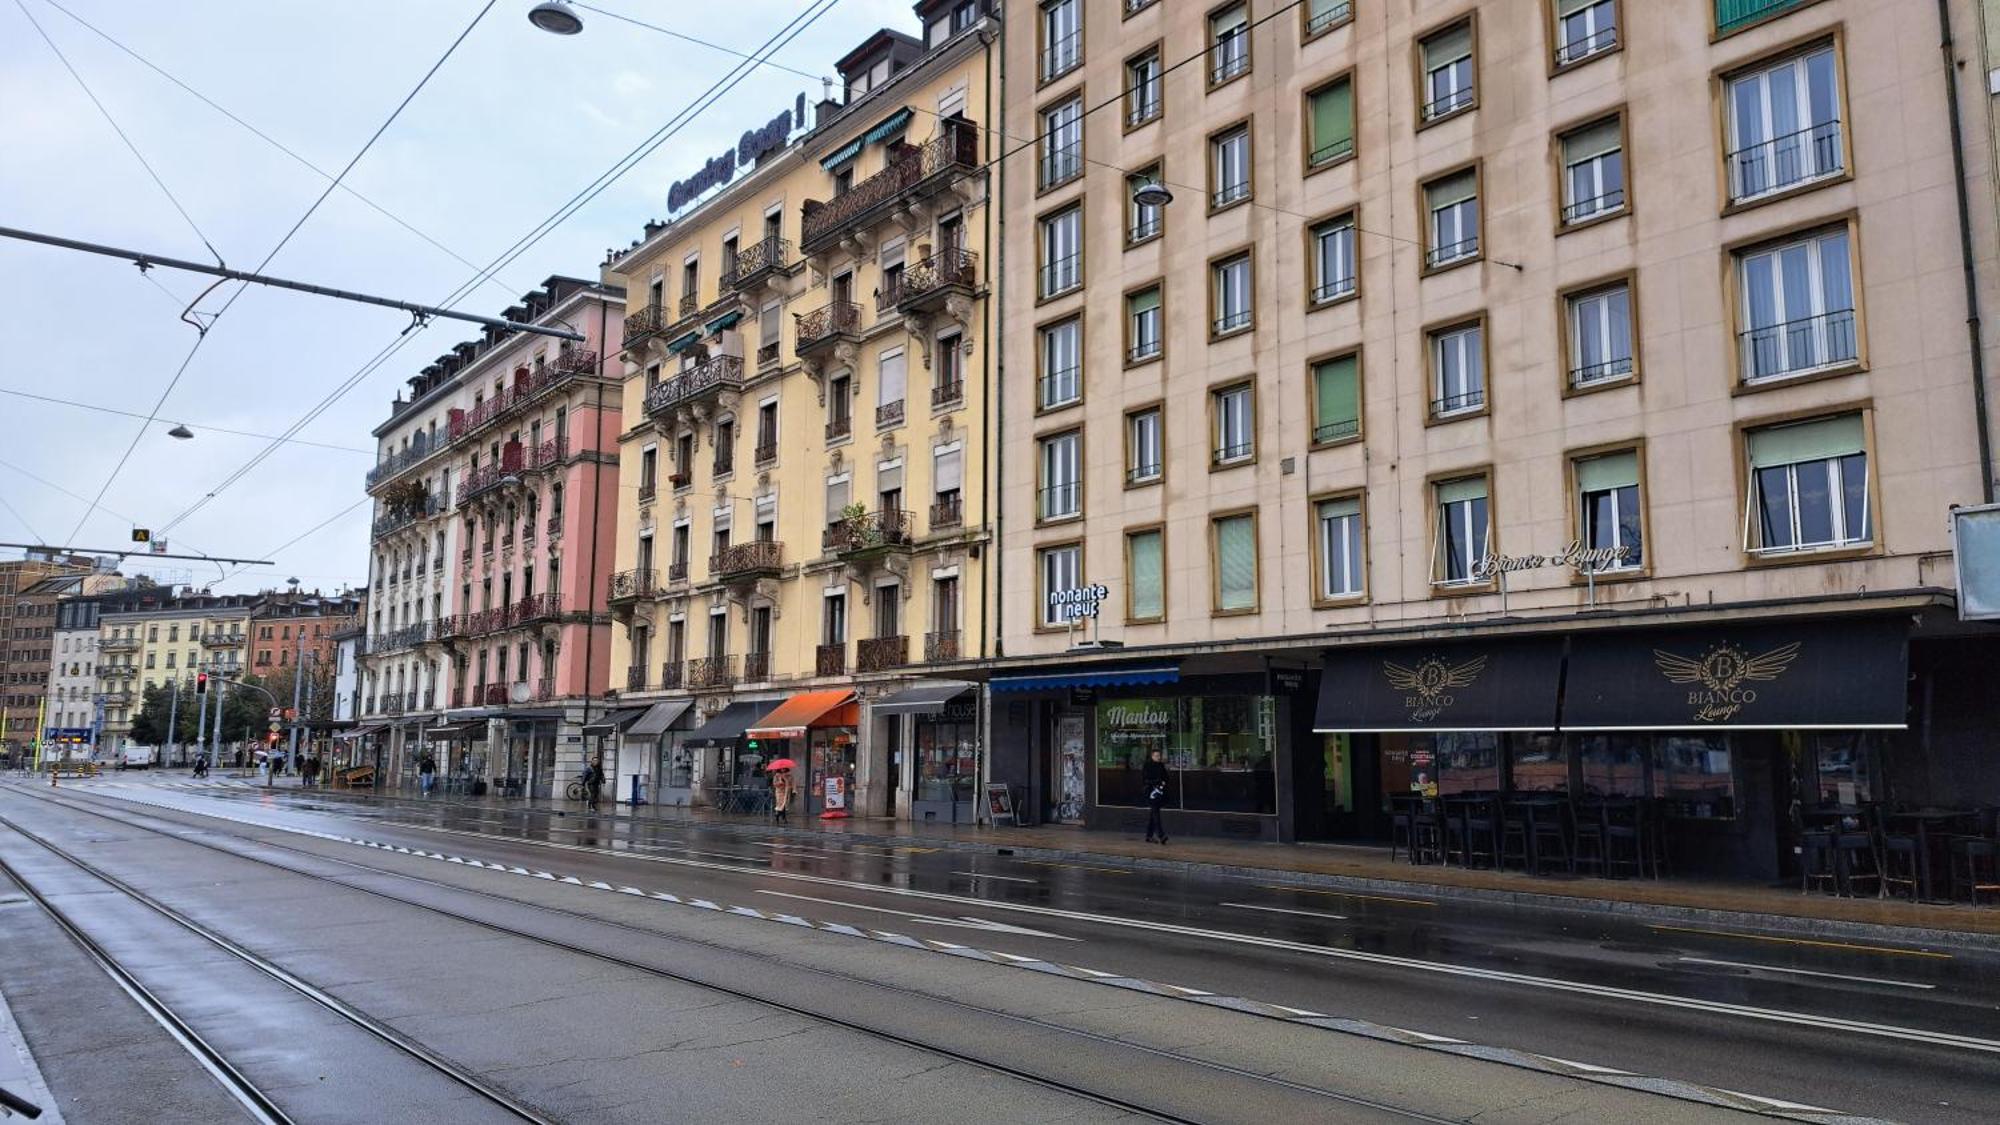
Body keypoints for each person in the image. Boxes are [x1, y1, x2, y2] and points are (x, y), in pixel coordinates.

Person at [1143, 748, 1170, 845]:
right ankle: (1161, 835)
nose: (1158, 757)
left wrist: (1163, 783)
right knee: (1156, 813)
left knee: (1153, 814)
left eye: (1159, 756)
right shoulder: (1147, 765)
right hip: (1150, 793)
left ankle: (1149, 836)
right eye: (1156, 756)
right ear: (1152, 756)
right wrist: (1158, 781)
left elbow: (1166, 777)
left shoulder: (1161, 765)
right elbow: (1145, 780)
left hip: (1159, 792)